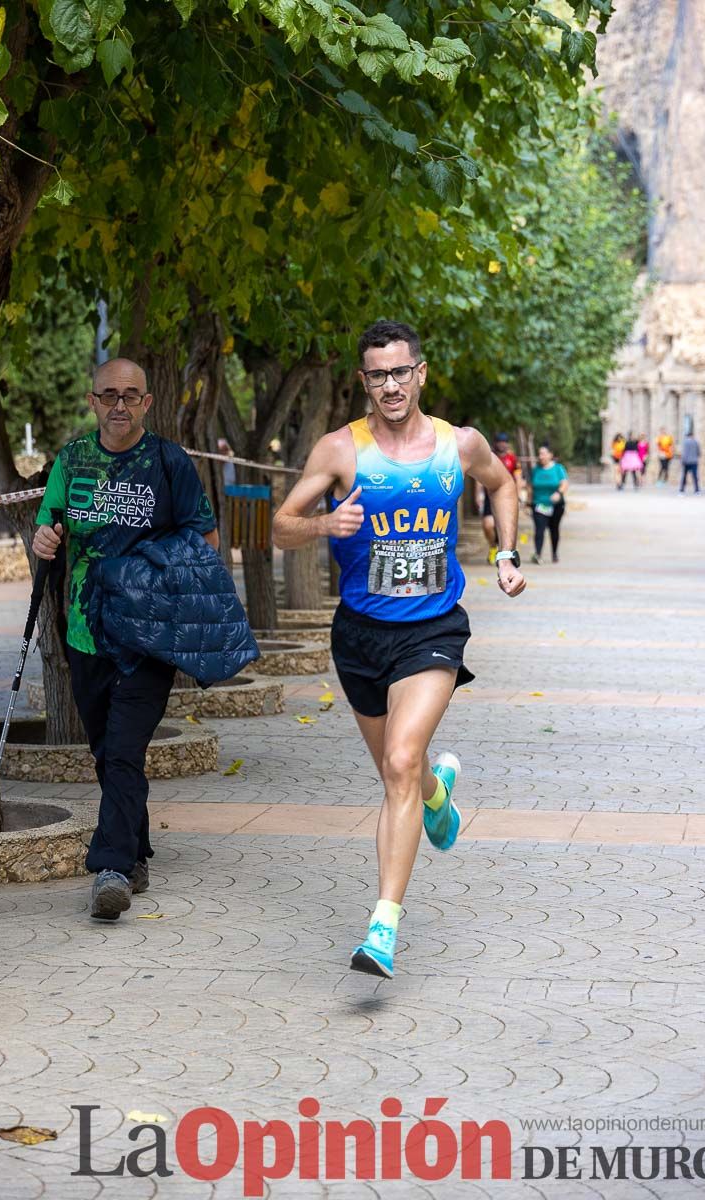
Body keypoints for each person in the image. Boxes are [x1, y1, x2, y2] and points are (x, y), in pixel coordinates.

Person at [272, 320, 526, 979]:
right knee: (397, 773)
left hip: (433, 629)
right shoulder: (339, 450)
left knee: (402, 759)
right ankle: (437, 802)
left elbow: (503, 484)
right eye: (378, 375)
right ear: (364, 383)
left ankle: (382, 927)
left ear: (421, 373)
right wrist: (328, 522)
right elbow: (281, 526)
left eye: (400, 372)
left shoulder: (458, 445)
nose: (391, 384)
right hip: (359, 635)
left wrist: (506, 553)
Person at [33, 358, 220, 921]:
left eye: (130, 394)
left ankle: (110, 869)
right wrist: (44, 540)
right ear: (92, 401)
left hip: (148, 639)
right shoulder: (72, 460)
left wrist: (158, 577)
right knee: (106, 751)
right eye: (109, 394)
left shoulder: (169, 463)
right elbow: (50, 526)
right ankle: (135, 852)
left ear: (147, 402)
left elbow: (205, 539)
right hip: (86, 635)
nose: (119, 404)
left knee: (123, 749)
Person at [480, 432, 520, 563]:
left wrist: (518, 495)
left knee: (505, 525)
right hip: (489, 495)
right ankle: (492, 546)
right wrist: (478, 495)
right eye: (500, 441)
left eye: (504, 442)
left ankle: (505, 554)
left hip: (507, 497)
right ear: (496, 443)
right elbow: (479, 478)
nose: (502, 444)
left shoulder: (512, 459)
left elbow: (518, 478)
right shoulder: (489, 457)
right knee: (488, 525)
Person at [529, 445, 568, 564]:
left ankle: (554, 553)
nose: (541, 456)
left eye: (544, 453)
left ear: (550, 455)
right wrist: (528, 503)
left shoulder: (558, 468)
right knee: (539, 529)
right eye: (539, 454)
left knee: (554, 529)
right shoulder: (535, 470)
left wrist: (558, 493)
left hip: (555, 505)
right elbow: (530, 487)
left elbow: (564, 483)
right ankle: (538, 553)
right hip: (538, 504)